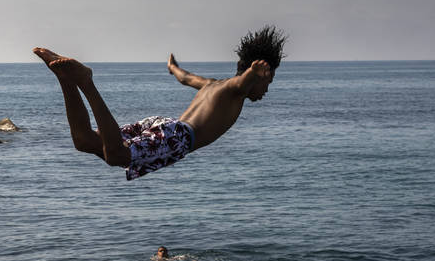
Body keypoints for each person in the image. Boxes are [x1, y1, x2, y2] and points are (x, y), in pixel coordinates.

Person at [33, 25, 286, 180]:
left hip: (165, 124)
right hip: (180, 137)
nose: (266, 89)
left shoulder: (212, 85)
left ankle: (64, 78)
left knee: (85, 141)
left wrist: (172, 67)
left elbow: (186, 78)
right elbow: (242, 83)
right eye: (268, 81)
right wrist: (255, 71)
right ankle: (86, 82)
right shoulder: (235, 90)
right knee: (116, 156)